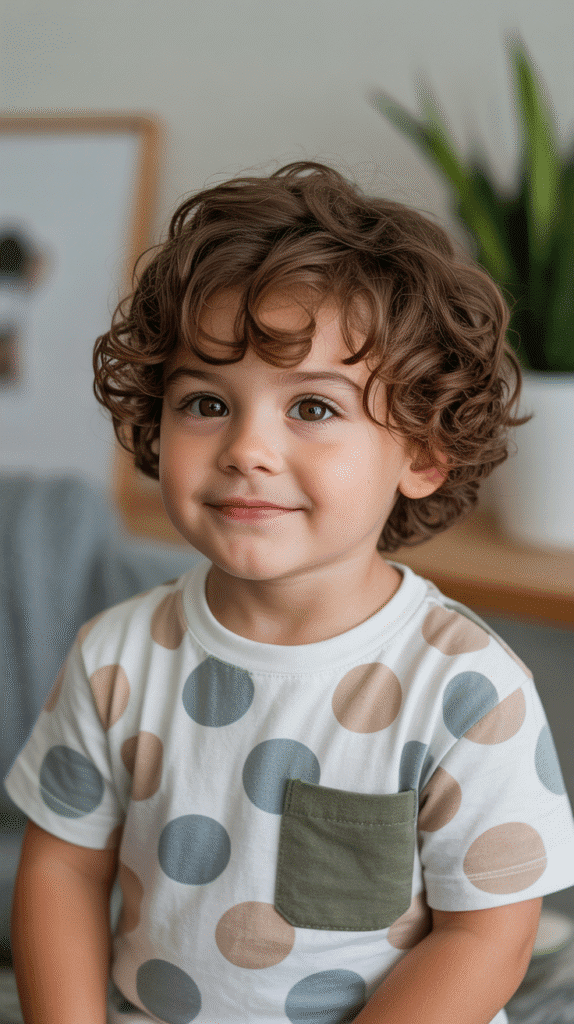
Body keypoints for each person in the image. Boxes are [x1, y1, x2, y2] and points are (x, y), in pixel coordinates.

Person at [6, 161, 574, 1024]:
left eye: (312, 408)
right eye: (205, 401)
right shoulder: (114, 655)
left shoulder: (470, 688)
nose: (246, 449)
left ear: (421, 455)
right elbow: (63, 870)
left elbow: (485, 937)